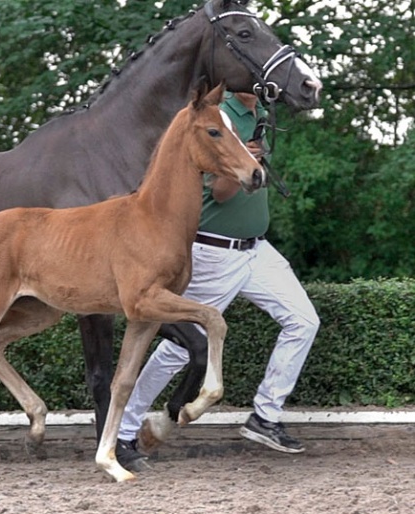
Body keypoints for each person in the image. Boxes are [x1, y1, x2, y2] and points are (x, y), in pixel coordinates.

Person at [115, 91, 320, 471]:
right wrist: (249, 161)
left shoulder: (258, 116)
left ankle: (265, 417)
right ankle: (125, 430)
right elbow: (222, 193)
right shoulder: (218, 117)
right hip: (215, 252)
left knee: (304, 321)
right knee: (179, 348)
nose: (256, 82)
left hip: (257, 251)